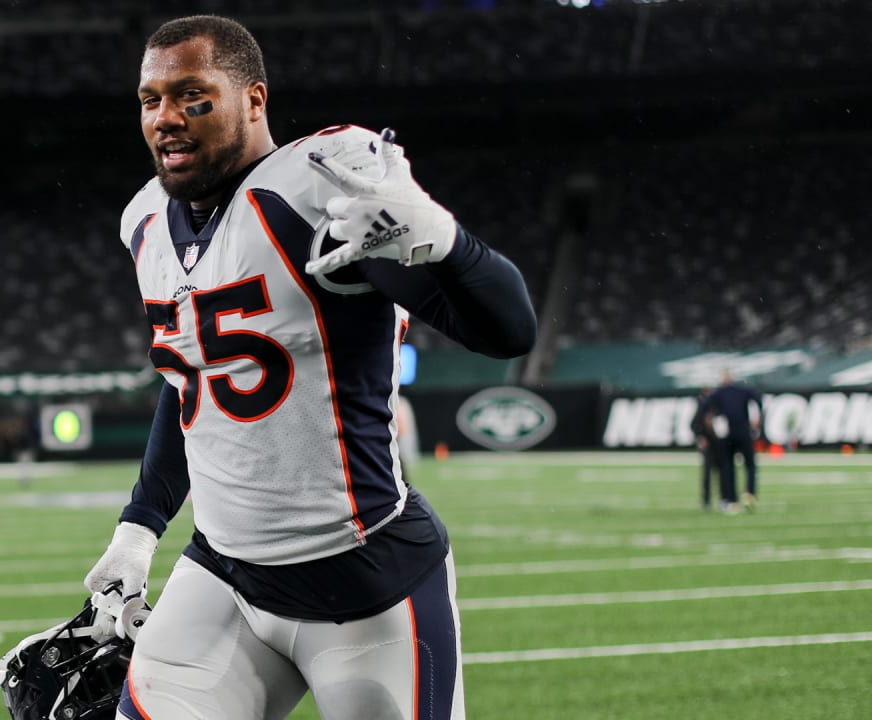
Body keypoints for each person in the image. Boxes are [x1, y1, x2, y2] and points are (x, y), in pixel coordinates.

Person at [79, 15, 536, 720]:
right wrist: (138, 529)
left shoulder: (319, 186)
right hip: (223, 578)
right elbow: (196, 382)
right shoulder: (144, 220)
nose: (166, 118)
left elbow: (507, 330)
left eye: (193, 95)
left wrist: (443, 241)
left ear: (254, 99)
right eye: (151, 99)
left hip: (367, 590)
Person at [700, 369, 765, 512]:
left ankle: (731, 500)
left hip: (726, 434)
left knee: (727, 467)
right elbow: (760, 401)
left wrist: (709, 425)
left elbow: (705, 408)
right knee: (750, 464)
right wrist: (758, 420)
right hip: (743, 432)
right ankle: (749, 493)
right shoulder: (743, 390)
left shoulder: (719, 393)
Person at [690, 386, 727, 511]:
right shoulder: (703, 407)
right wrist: (700, 437)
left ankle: (724, 498)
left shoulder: (720, 406)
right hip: (709, 445)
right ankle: (706, 501)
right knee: (707, 474)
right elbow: (694, 424)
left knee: (723, 473)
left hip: (720, 444)